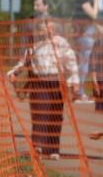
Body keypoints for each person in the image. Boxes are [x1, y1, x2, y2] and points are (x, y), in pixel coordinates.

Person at [7, 19, 80, 160]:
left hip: (56, 83)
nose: (44, 30)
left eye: (48, 27)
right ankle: (37, 147)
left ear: (54, 29)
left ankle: (53, 149)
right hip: (39, 83)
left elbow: (71, 63)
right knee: (40, 115)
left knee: (55, 116)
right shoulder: (34, 46)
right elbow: (24, 63)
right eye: (42, 28)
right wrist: (13, 73)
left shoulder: (62, 44)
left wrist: (74, 82)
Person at [73, 0, 100, 102]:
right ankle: (79, 92)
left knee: (83, 63)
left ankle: (79, 91)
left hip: (84, 33)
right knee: (84, 63)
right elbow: (94, 15)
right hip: (84, 35)